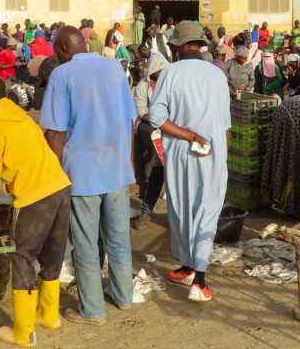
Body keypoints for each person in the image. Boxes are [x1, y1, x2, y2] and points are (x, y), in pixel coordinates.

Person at [40, 26, 136, 325]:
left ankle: (93, 310)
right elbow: (129, 118)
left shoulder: (61, 75)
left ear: (61, 50)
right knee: (119, 238)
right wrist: (127, 159)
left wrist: (51, 178)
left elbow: (55, 133)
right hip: (116, 167)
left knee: (85, 243)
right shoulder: (115, 68)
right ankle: (124, 297)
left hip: (83, 173)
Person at [0, 76, 72, 346]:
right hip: (60, 186)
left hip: (33, 196)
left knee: (23, 257)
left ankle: (23, 332)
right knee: (54, 251)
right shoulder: (22, 116)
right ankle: (49, 315)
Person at [148, 21, 230, 302]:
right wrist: (222, 156)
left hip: (180, 152)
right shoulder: (217, 73)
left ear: (180, 46)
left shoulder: (170, 73)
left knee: (181, 208)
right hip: (212, 152)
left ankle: (190, 269)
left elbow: (157, 116)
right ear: (199, 44)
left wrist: (188, 135)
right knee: (206, 210)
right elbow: (225, 124)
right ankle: (197, 278)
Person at [131, 53, 168, 230]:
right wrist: (157, 122)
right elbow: (141, 110)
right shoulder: (143, 86)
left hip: (168, 126)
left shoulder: (169, 83)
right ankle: (146, 210)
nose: (161, 73)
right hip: (148, 124)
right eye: (158, 71)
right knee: (158, 162)